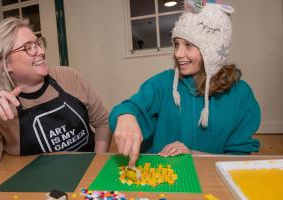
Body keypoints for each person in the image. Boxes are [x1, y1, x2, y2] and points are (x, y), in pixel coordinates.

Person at [109, 1, 260, 166]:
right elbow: (128, 107)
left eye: (188, 45)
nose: (178, 54)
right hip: (164, 174)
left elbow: (239, 159)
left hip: (212, 178)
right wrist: (125, 116)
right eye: (176, 44)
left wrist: (193, 154)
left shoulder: (241, 95)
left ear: (213, 50)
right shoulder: (163, 83)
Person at [0, 17, 111, 167]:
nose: (41, 51)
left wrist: (97, 162)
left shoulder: (69, 77)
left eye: (38, 43)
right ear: (4, 64)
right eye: (28, 47)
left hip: (87, 173)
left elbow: (103, 122)